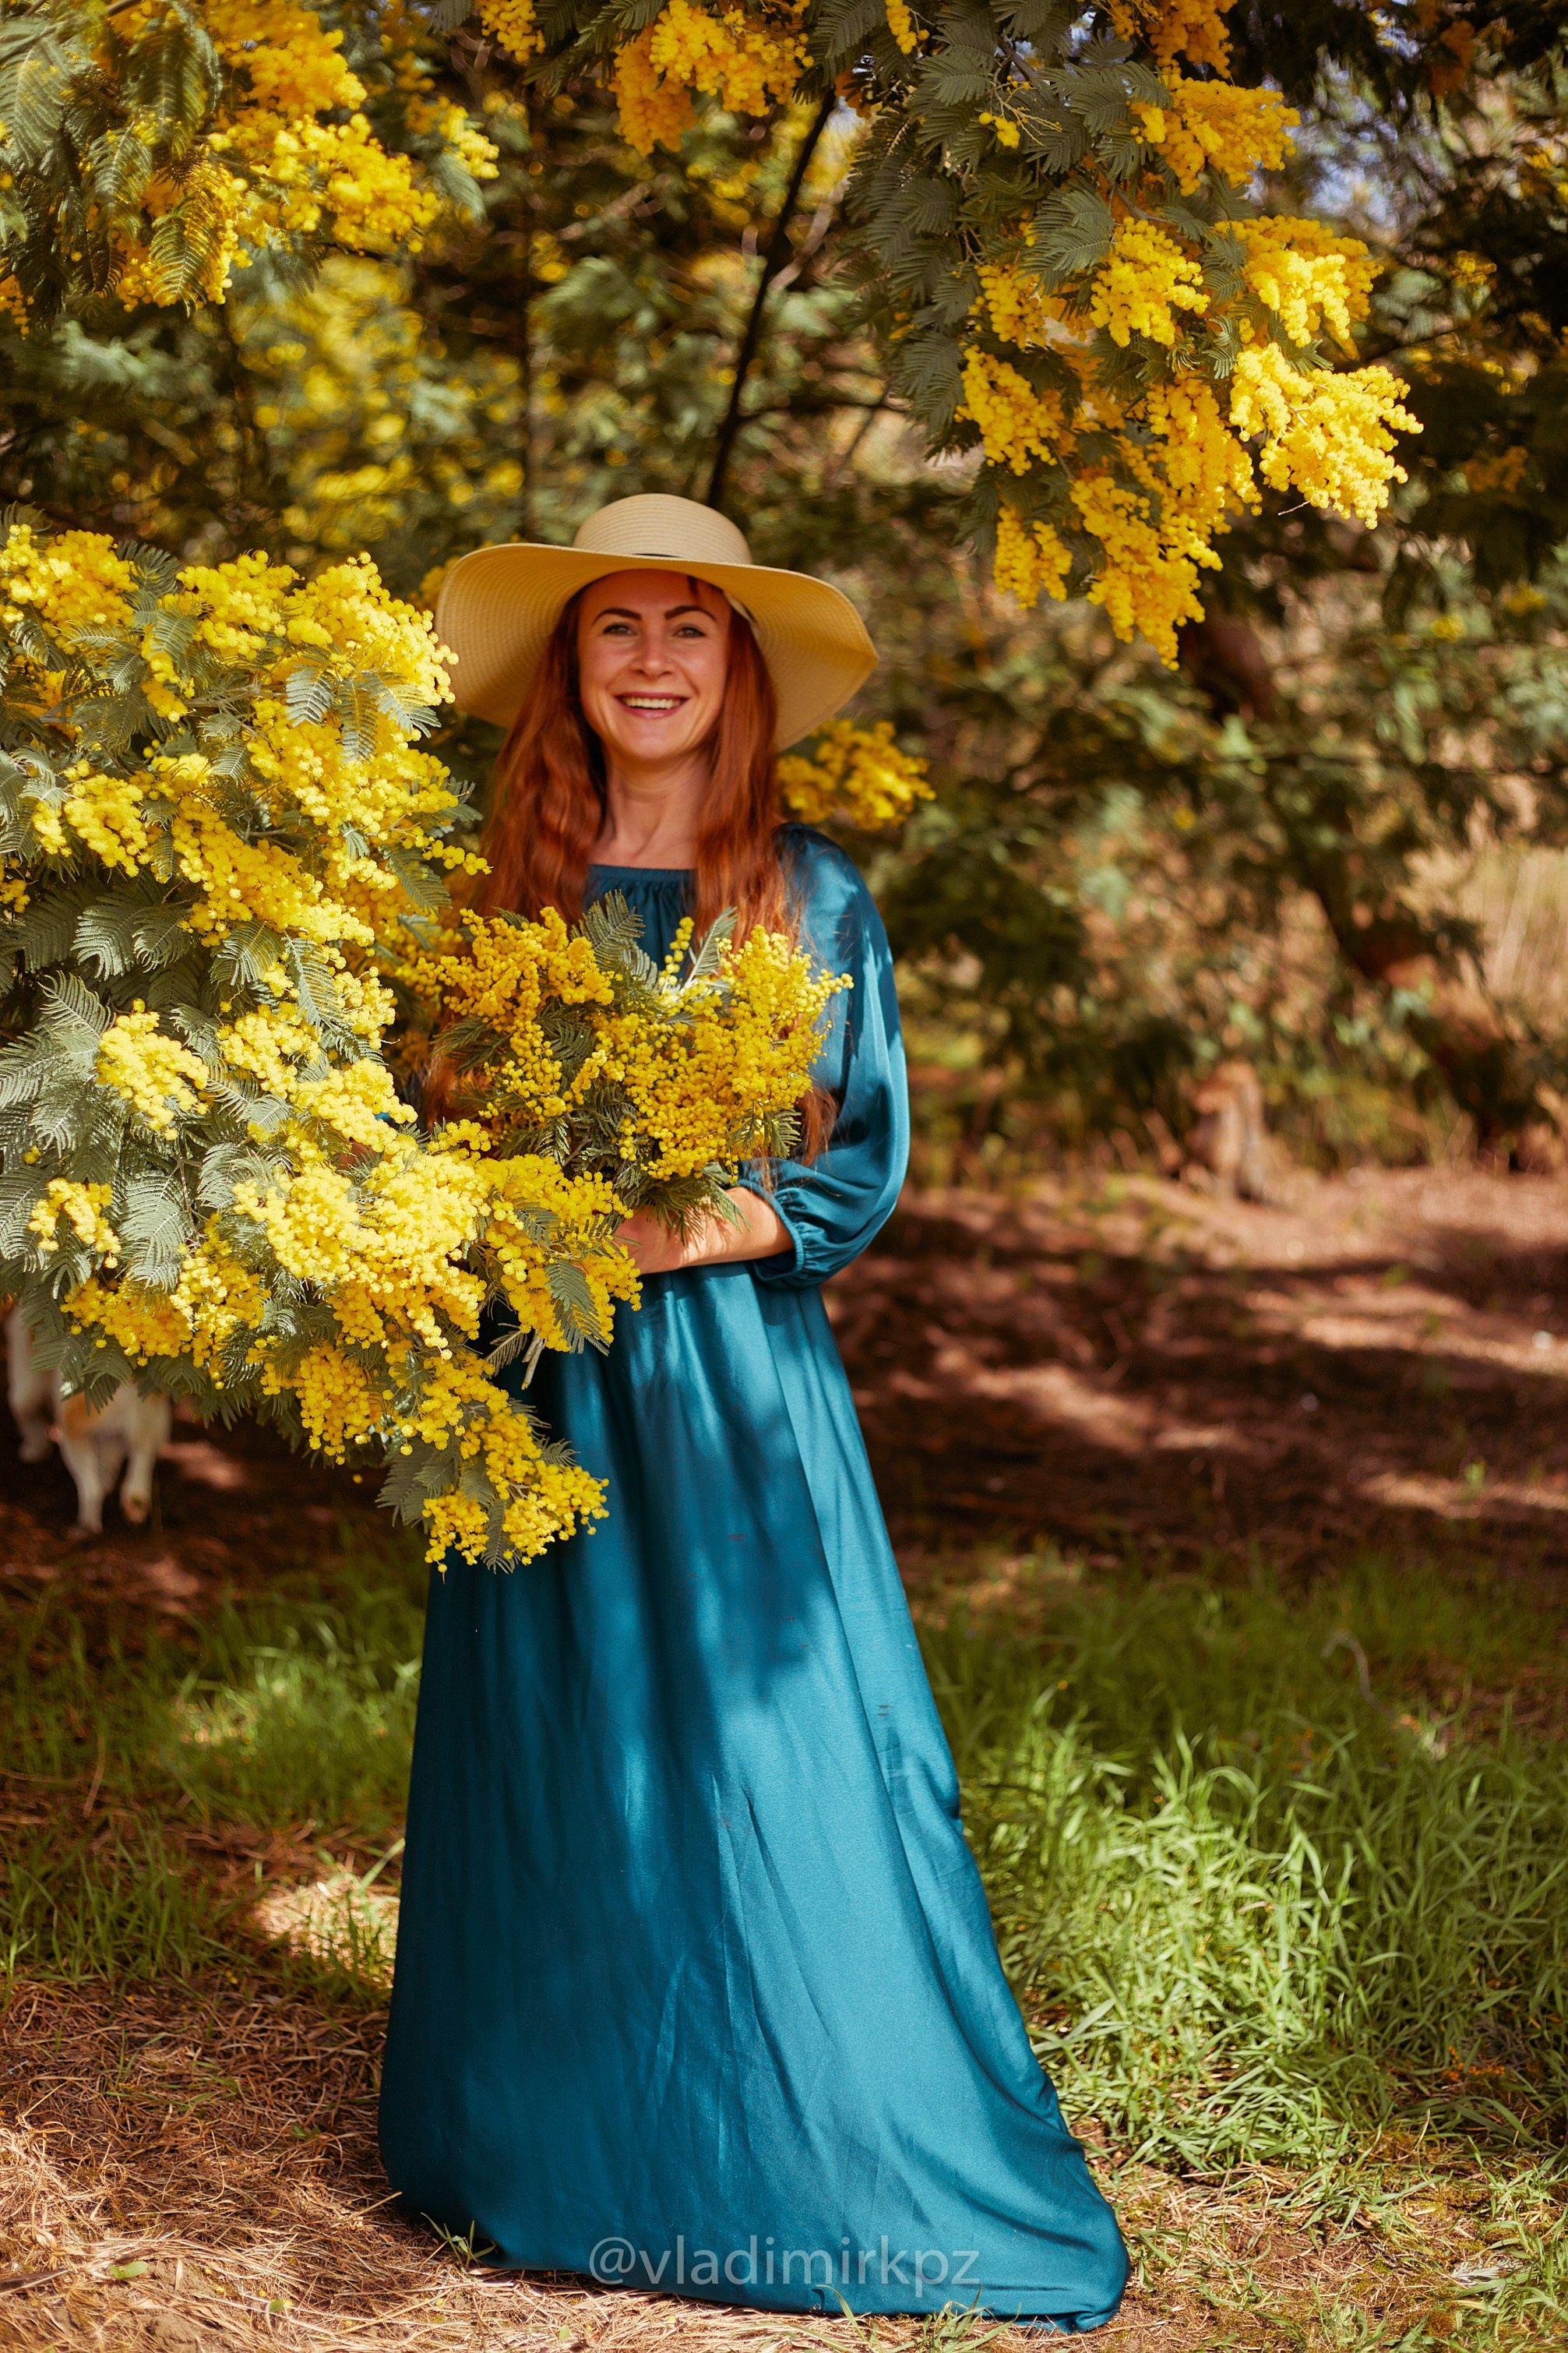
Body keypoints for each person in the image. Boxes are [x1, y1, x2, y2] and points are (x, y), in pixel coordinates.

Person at [378, 495, 1129, 2329]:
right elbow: (429, 1132)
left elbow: (849, 1178)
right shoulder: (504, 896)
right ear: (570, 667)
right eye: (613, 628)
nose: (647, 660)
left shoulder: (808, 894)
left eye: (684, 629)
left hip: (718, 1383)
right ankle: (541, 2130)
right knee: (555, 1738)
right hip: (536, 1377)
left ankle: (803, 2133)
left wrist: (639, 1231)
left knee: (755, 1746)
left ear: (735, 671)